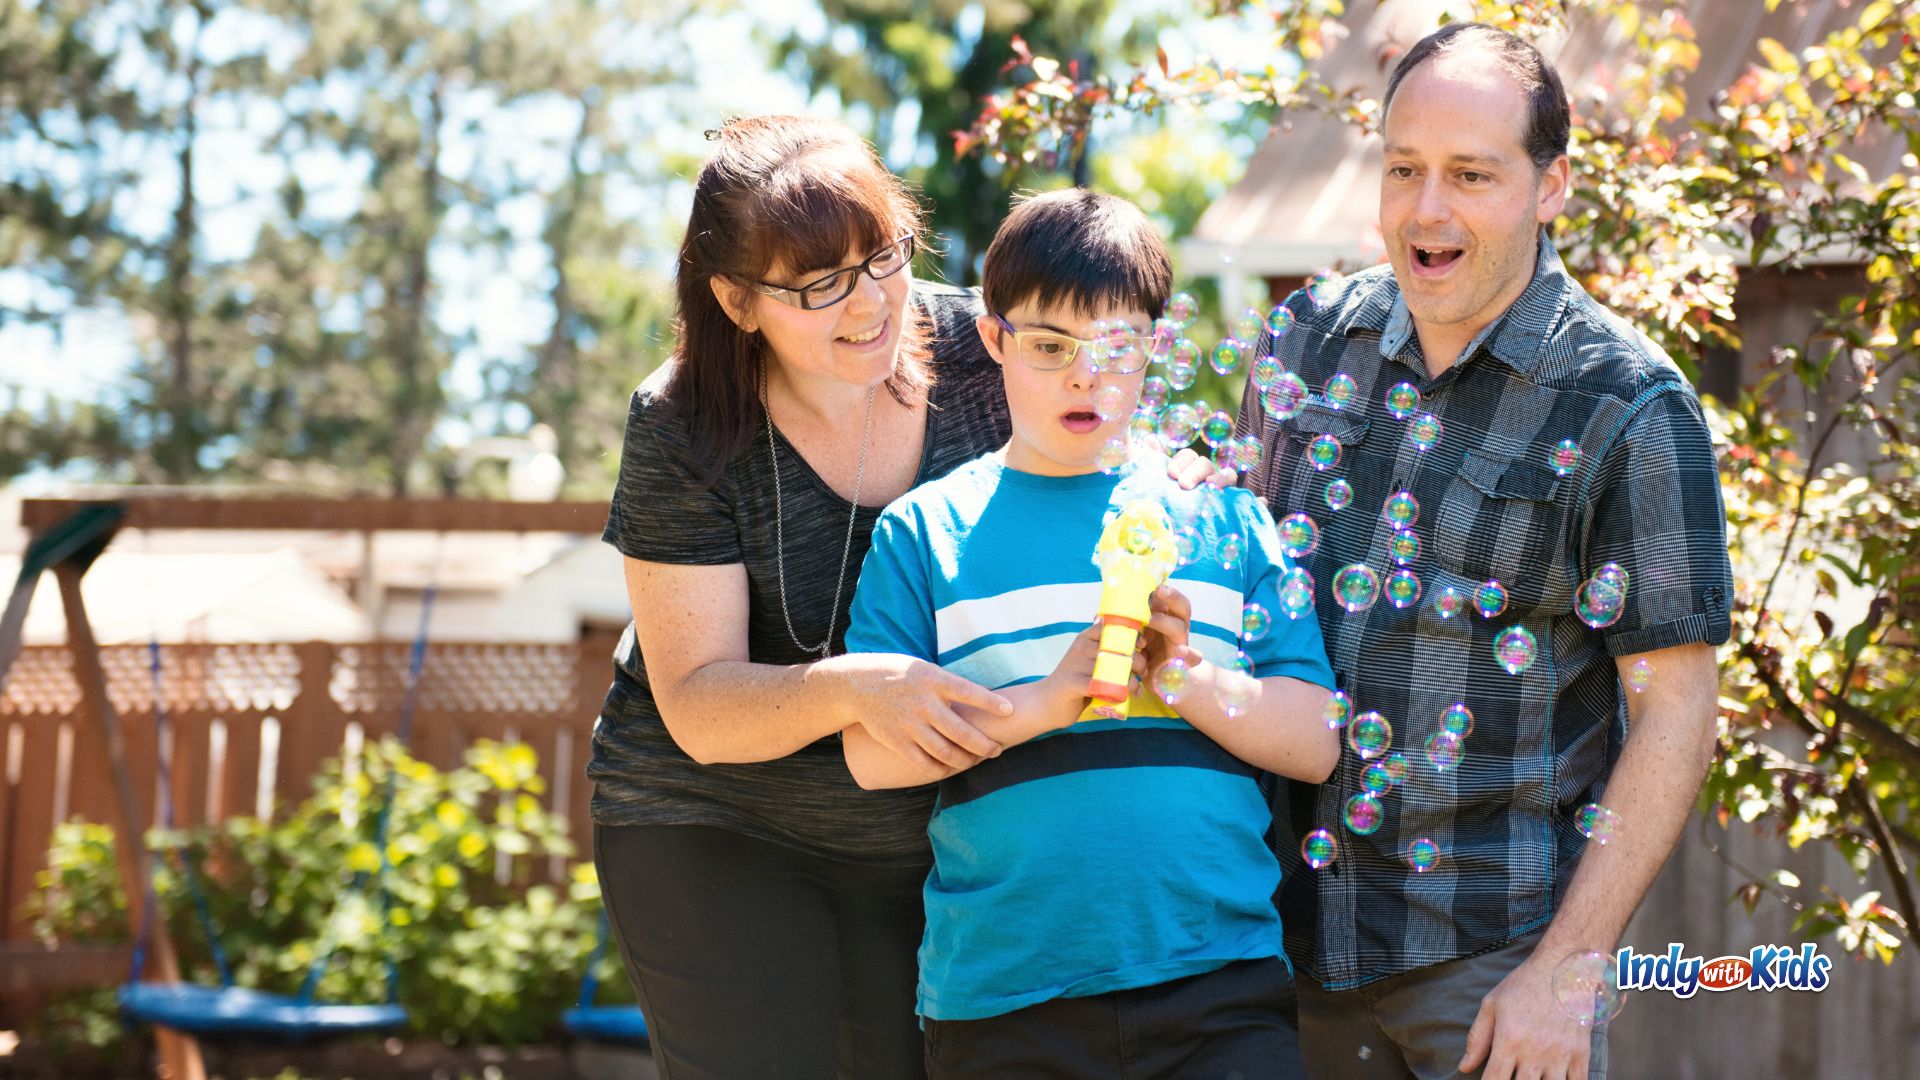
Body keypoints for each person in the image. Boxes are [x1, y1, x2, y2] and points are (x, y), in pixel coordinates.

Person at [591, 117, 1218, 1078]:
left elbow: (1117, 420)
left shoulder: (986, 344)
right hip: (713, 823)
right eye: (816, 285)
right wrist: (853, 686)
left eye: (882, 257)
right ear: (737, 299)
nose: (867, 305)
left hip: (929, 836)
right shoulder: (684, 423)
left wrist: (1174, 482)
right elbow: (700, 707)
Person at [1232, 23, 1733, 1080]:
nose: (1427, 211)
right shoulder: (1306, 343)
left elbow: (1676, 710)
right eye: (1404, 168)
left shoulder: (1629, 405)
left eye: (1472, 174)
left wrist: (1568, 969)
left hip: (1489, 973)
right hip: (1267, 953)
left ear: (1551, 186)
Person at [842, 187, 1339, 1079]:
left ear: (1156, 346)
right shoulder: (926, 532)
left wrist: (1186, 675)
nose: (1084, 376)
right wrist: (1047, 701)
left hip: (1219, 981)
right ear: (993, 339)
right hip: (1006, 995)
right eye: (1048, 346)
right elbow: (873, 758)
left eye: (1116, 347)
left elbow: (1316, 742)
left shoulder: (1222, 519)